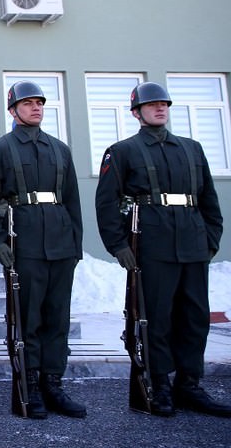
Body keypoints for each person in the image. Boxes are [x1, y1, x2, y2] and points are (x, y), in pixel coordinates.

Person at [95, 81, 229, 417]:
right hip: (152, 246)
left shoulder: (192, 148)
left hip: (193, 243)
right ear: (137, 112)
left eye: (164, 104)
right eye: (152, 105)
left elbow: (208, 199)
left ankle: (190, 384)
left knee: (195, 317)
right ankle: (158, 383)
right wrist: (118, 245)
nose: (160, 109)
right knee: (155, 317)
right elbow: (107, 203)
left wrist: (211, 238)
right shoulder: (122, 151)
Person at [0, 80, 85, 420]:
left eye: (39, 102)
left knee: (57, 318)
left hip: (60, 243)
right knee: (28, 320)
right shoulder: (1, 149)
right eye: (27, 103)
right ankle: (30, 385)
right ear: (13, 110)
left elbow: (73, 201)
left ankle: (54, 383)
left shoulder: (59, 149)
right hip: (25, 244)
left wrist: (75, 246)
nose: (35, 107)